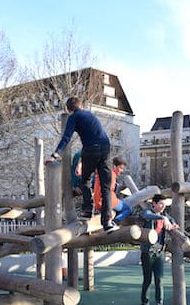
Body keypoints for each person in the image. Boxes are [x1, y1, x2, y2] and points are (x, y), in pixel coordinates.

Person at [45, 97, 119, 233]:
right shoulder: (90, 115)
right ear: (82, 106)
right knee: (106, 187)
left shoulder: (73, 117)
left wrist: (55, 155)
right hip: (106, 148)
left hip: (91, 149)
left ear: (68, 109)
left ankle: (87, 210)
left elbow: (66, 137)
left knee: (85, 181)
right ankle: (107, 223)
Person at [138, 194, 178, 305]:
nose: (163, 206)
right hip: (147, 253)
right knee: (148, 280)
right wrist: (162, 217)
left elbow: (172, 222)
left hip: (160, 253)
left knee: (159, 281)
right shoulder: (148, 212)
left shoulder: (166, 216)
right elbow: (147, 216)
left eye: (164, 204)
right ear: (154, 204)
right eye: (160, 203)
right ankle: (144, 304)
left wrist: (173, 225)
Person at [93, 156, 131, 225]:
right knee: (127, 208)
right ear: (114, 166)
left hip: (97, 201)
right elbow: (109, 191)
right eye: (120, 168)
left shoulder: (103, 173)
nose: (122, 170)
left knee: (121, 203)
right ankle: (116, 221)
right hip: (106, 202)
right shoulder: (112, 175)